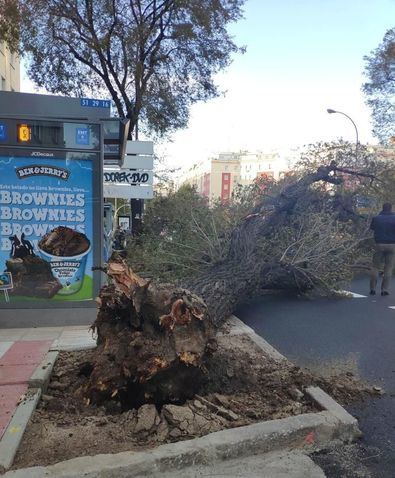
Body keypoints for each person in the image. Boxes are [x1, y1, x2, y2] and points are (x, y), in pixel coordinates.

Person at [370, 202, 395, 296]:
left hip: (379, 244)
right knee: (388, 267)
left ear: (382, 208)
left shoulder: (376, 218)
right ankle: (384, 290)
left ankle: (372, 288)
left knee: (375, 266)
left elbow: (372, 228)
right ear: (391, 209)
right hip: (392, 245)